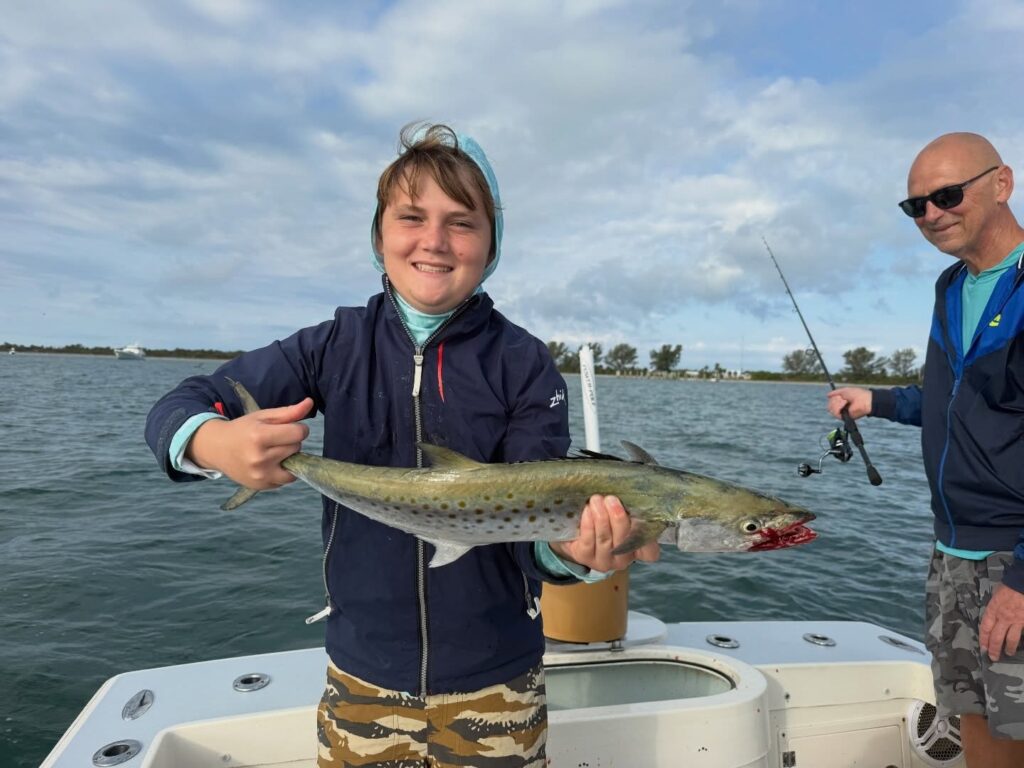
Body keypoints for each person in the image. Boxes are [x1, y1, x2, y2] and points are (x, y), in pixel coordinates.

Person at [145, 123, 658, 768]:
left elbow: (535, 541)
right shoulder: (334, 344)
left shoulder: (524, 364)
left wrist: (571, 554)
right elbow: (181, 404)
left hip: (498, 681)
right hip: (361, 671)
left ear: (494, 242)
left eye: (463, 222)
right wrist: (213, 441)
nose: (434, 241)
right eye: (411, 217)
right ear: (379, 235)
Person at [828, 132, 1024, 767]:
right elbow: (955, 397)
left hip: (1014, 561)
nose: (932, 214)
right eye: (916, 206)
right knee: (973, 721)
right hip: (950, 555)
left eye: (946, 195)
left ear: (1002, 183)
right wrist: (877, 401)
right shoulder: (950, 285)